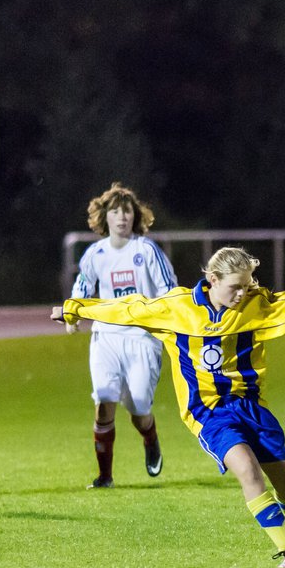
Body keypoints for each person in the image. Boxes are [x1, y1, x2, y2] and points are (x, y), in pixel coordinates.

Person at [52, 244, 285, 568]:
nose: (242, 293)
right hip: (208, 412)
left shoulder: (256, 306)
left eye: (247, 285)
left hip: (250, 406)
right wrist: (74, 309)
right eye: (234, 286)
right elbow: (128, 308)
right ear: (212, 279)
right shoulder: (178, 308)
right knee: (247, 471)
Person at [68, 182, 178, 488]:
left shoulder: (147, 251)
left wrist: (173, 318)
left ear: (135, 216)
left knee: (140, 407)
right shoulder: (95, 254)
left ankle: (150, 435)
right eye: (115, 211)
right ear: (105, 217)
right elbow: (82, 287)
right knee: (104, 398)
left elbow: (169, 290)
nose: (122, 217)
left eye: (127, 211)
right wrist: (73, 313)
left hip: (143, 338)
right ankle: (105, 477)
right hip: (106, 337)